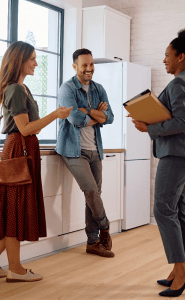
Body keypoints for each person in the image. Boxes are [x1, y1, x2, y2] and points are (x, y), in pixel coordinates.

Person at [0, 41, 72, 282]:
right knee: (15, 212)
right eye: (32, 58)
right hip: (19, 150)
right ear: (19, 60)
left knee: (12, 211)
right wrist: (56, 115)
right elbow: (25, 128)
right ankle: (16, 269)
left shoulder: (20, 88)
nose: (36, 63)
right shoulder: (17, 90)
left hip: (20, 150)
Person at [130, 28, 185, 297]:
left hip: (177, 154)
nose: (164, 60)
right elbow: (178, 118)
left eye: (167, 55)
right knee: (178, 208)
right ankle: (179, 269)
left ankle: (181, 270)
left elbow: (181, 123)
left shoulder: (180, 83)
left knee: (162, 209)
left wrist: (147, 127)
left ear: (181, 56)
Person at [56, 48, 115, 257]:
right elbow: (74, 119)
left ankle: (92, 242)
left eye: (91, 65)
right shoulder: (67, 89)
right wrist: (97, 115)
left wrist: (88, 110)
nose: (89, 69)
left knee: (94, 195)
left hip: (95, 148)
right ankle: (106, 228)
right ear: (75, 66)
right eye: (84, 65)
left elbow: (110, 117)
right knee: (91, 191)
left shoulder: (99, 88)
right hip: (73, 149)